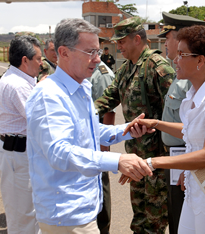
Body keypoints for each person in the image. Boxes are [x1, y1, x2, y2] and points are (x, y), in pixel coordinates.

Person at [25, 18, 153, 233]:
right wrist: (118, 160)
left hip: (83, 206)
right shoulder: (49, 96)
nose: (97, 59)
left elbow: (91, 132)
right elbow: (59, 152)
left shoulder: (82, 86)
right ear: (64, 53)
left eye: (98, 52)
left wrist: (125, 131)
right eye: (90, 52)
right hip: (66, 212)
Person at [121, 25, 205, 234]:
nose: (174, 60)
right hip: (198, 186)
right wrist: (156, 124)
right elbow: (193, 132)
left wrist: (152, 162)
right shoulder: (195, 94)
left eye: (182, 54)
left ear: (200, 60)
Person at [95, 17, 174, 233]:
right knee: (139, 216)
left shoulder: (158, 67)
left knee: (154, 221)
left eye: (121, 42)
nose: (117, 46)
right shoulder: (126, 68)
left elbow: (177, 115)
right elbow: (108, 98)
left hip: (157, 160)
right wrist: (79, 117)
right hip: (136, 157)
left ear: (137, 39)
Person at [157, 11, 205, 234]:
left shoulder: (193, 77)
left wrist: (189, 170)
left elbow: (199, 131)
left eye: (167, 38)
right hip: (176, 158)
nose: (165, 43)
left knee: (182, 220)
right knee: (176, 217)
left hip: (184, 158)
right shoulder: (181, 74)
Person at [0, 35, 42, 234]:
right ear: (25, 60)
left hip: (19, 153)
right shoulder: (18, 85)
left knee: (28, 212)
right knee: (23, 216)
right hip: (17, 154)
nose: (42, 64)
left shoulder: (22, 80)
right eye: (39, 59)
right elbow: (40, 120)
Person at [87, 60, 116, 234]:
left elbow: (109, 111)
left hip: (98, 139)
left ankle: (102, 228)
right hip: (87, 138)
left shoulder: (101, 73)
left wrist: (104, 148)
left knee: (100, 189)